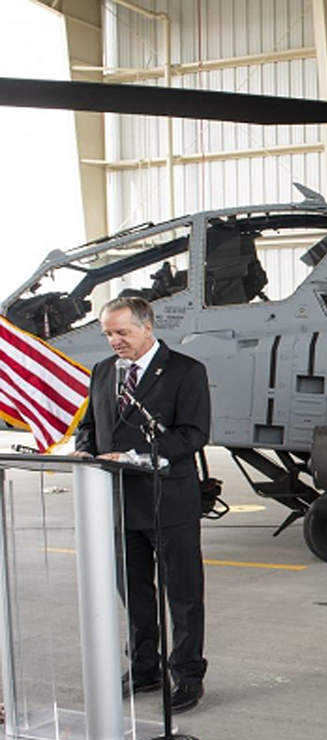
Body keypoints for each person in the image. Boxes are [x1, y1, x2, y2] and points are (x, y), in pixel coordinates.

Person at [74, 296, 211, 713]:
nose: (115, 341)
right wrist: (84, 451)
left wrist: (136, 458)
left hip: (168, 499)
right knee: (133, 593)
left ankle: (187, 675)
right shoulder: (103, 371)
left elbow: (193, 434)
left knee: (183, 595)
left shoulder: (186, 371)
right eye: (109, 334)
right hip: (116, 502)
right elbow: (90, 426)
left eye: (122, 332)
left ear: (146, 327)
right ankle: (145, 668)